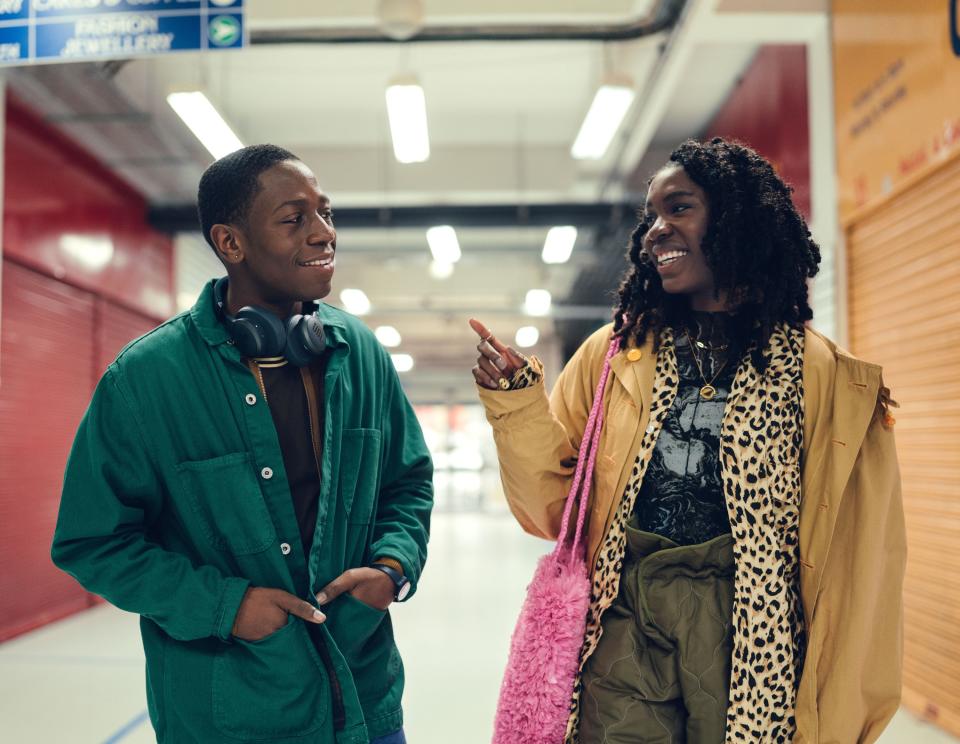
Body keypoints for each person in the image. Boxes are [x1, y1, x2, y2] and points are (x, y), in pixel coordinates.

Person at [471, 137, 905, 743]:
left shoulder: (824, 377)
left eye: (679, 208)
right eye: (651, 215)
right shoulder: (613, 355)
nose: (655, 230)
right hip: (625, 615)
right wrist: (517, 405)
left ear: (736, 219)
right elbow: (551, 510)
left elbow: (865, 566)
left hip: (753, 634)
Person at [52, 144, 433, 744]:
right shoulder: (147, 379)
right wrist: (225, 607)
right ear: (231, 243)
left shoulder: (358, 353)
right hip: (228, 716)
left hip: (363, 697)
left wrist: (394, 565)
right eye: (294, 219)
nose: (323, 234)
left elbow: (407, 481)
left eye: (325, 214)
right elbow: (93, 541)